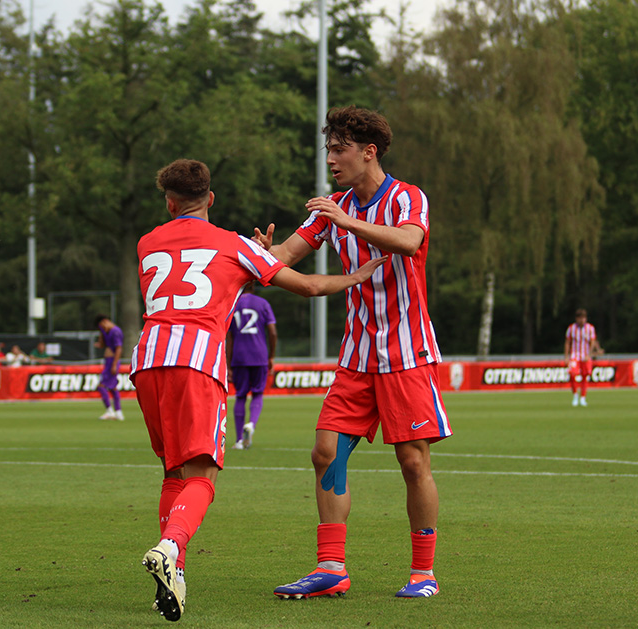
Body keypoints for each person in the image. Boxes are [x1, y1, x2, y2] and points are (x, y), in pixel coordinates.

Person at [133, 158, 385, 622]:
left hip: (148, 357)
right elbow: (306, 284)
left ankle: (175, 574)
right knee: (203, 475)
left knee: (174, 471)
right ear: (211, 198)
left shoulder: (147, 242)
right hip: (197, 360)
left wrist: (250, 262)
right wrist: (354, 277)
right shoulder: (233, 244)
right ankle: (171, 547)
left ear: (169, 203)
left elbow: (199, 278)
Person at [256, 106, 452, 601]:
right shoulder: (332, 208)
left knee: (412, 461)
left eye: (339, 149)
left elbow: (409, 242)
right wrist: (264, 253)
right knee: (326, 452)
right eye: (329, 149)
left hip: (406, 353)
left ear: (369, 152)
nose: (331, 159)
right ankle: (331, 568)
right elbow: (287, 258)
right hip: (357, 356)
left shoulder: (408, 197)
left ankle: (423, 572)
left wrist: (347, 220)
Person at [226, 282, 277, 450]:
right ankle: (251, 424)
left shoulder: (231, 305)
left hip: (239, 357)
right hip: (259, 355)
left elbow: (230, 337)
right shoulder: (263, 303)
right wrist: (271, 356)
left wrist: (228, 365)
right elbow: (273, 332)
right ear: (253, 286)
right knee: (257, 393)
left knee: (240, 396)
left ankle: (240, 440)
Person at [563, 308, 603, 407]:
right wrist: (566, 357)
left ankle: (583, 398)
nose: (582, 320)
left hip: (585, 356)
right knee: (572, 374)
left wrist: (589, 354)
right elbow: (568, 342)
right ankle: (575, 395)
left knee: (585, 376)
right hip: (575, 355)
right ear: (576, 318)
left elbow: (593, 341)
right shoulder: (571, 328)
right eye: (580, 318)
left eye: (584, 318)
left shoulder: (590, 328)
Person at [95, 314, 124, 421]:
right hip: (109, 361)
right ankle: (118, 412)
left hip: (112, 361)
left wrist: (114, 364)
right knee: (113, 387)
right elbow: (102, 345)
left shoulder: (115, 331)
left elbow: (119, 349)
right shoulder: (106, 332)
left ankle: (110, 411)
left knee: (101, 386)